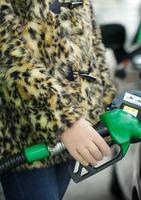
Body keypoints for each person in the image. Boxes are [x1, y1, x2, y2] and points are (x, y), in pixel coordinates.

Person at [0, 0, 116, 199]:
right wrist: (65, 121)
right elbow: (8, 58)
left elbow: (93, 45)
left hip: (76, 127)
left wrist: (105, 104)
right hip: (25, 134)